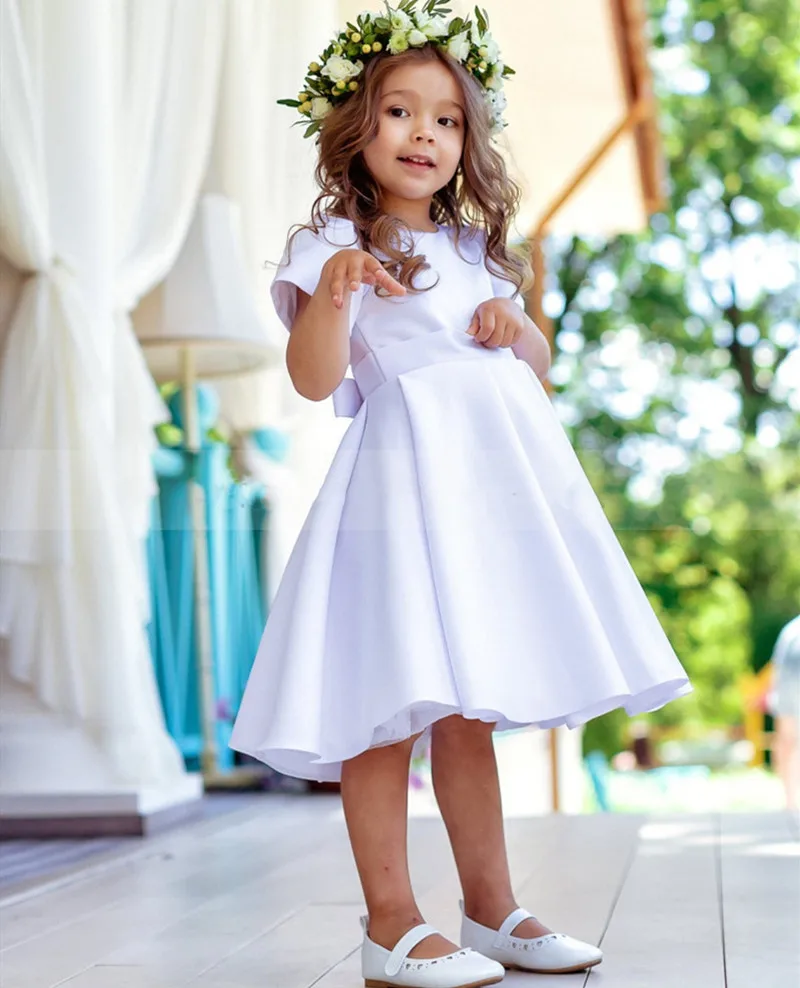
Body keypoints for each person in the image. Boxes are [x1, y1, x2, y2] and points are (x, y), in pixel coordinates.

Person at [230, 5, 693, 985]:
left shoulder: (479, 250)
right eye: (399, 111)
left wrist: (509, 321)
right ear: (355, 127)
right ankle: (390, 920)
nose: (422, 135)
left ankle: (491, 908)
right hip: (396, 503)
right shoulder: (328, 244)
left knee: (465, 709)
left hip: (483, 502)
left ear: (467, 140)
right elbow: (315, 380)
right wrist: (336, 293)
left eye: (444, 119)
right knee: (384, 703)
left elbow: (535, 358)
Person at [769, 615, 800, 812]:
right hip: (788, 681)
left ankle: (790, 800)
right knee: (788, 741)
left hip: (787, 681)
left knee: (787, 741)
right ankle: (789, 799)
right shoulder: (792, 631)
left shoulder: (791, 630)